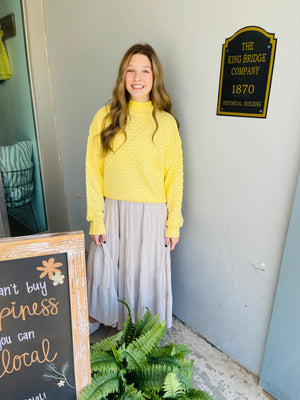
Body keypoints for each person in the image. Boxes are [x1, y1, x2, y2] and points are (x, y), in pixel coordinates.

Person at [86, 43, 183, 334]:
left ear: (155, 78)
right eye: (131, 70)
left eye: (145, 71)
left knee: (142, 273)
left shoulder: (165, 124)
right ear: (122, 76)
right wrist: (96, 216)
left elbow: (175, 176)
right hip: (112, 209)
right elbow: (92, 168)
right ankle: (98, 315)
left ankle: (139, 330)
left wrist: (173, 224)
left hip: (152, 214)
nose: (137, 78)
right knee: (106, 265)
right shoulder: (105, 116)